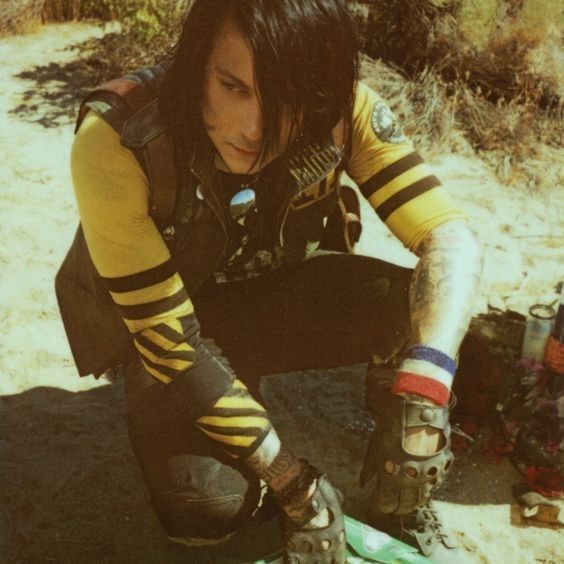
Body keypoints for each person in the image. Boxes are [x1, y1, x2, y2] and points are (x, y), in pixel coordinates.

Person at [56, 0, 483, 562]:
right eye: (232, 86)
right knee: (206, 509)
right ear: (195, 65)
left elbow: (448, 236)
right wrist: (291, 480)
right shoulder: (120, 137)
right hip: (170, 327)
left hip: (274, 295)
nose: (254, 127)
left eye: (288, 98)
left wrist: (428, 387)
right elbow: (171, 344)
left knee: (425, 312)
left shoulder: (342, 110)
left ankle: (397, 496)